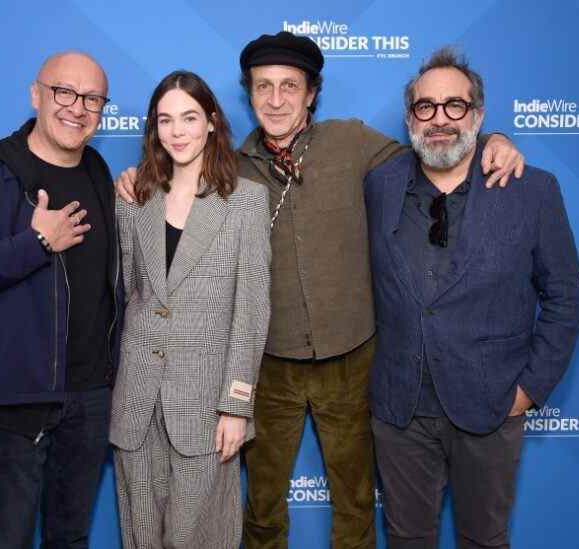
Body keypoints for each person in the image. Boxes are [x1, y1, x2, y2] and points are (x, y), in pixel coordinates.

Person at [116, 32, 525, 549]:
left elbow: (439, 148)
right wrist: (135, 178)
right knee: (262, 506)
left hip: (351, 358)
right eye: (264, 87)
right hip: (268, 366)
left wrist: (496, 141)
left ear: (311, 93)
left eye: (291, 85)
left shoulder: (351, 142)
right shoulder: (230, 171)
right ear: (248, 94)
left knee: (355, 503)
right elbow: (167, 203)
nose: (277, 99)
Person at [364, 47, 579, 549]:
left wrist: (526, 392)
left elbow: (565, 298)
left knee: (485, 540)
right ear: (409, 117)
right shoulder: (379, 185)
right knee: (406, 540)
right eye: (426, 107)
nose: (439, 119)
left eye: (454, 106)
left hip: (491, 406)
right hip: (400, 410)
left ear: (478, 116)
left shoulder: (533, 191)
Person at [0, 51, 122, 549]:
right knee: (8, 540)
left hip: (90, 399)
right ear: (37, 95)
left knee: (70, 538)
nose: (77, 107)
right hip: (14, 405)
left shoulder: (98, 171)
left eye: (92, 98)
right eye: (64, 92)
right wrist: (33, 245)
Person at [109, 70, 271, 549]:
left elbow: (252, 313)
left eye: (189, 117)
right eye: (165, 120)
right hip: (136, 403)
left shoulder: (245, 202)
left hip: (206, 410)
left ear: (213, 123)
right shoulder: (133, 198)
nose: (177, 132)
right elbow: (126, 296)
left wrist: (236, 407)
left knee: (201, 538)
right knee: (140, 537)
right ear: (153, 129)